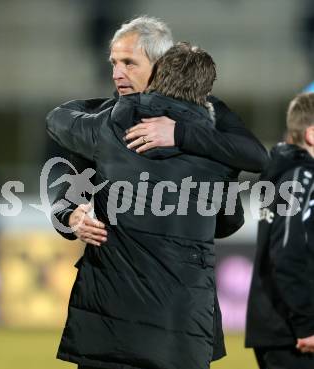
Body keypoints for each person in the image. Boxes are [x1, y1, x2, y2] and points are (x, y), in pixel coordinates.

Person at [50, 16, 268, 248]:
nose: (117, 74)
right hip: (122, 268)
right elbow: (64, 204)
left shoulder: (208, 111)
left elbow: (257, 158)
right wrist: (72, 219)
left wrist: (180, 133)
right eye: (114, 63)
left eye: (129, 63)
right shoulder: (105, 122)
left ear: (161, 65)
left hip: (180, 266)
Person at [245, 93, 314, 369]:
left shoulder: (285, 174)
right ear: (312, 134)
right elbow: (287, 253)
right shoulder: (301, 177)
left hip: (282, 326)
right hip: (292, 332)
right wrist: (306, 324)